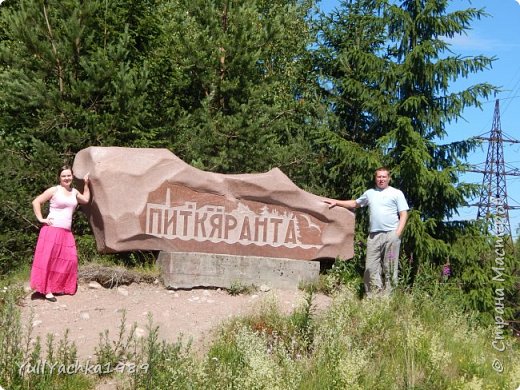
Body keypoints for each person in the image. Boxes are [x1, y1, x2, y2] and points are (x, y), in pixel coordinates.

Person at [324, 167, 409, 297]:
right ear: (375, 178)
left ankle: (388, 298)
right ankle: (374, 296)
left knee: (390, 267)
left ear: (389, 178)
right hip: (374, 235)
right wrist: (336, 202)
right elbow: (355, 204)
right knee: (370, 267)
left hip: (391, 234)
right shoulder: (370, 193)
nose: (381, 179)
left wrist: (397, 234)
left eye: (384, 177)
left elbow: (403, 214)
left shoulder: (397, 193)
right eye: (379, 177)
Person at [30, 165, 90, 302]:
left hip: (66, 232)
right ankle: (47, 290)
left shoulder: (74, 192)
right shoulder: (54, 190)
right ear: (59, 177)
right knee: (49, 261)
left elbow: (86, 200)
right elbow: (36, 202)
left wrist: (86, 184)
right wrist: (41, 219)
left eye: (69, 175)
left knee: (70, 260)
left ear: (72, 176)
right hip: (52, 231)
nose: (66, 178)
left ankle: (61, 286)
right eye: (64, 176)